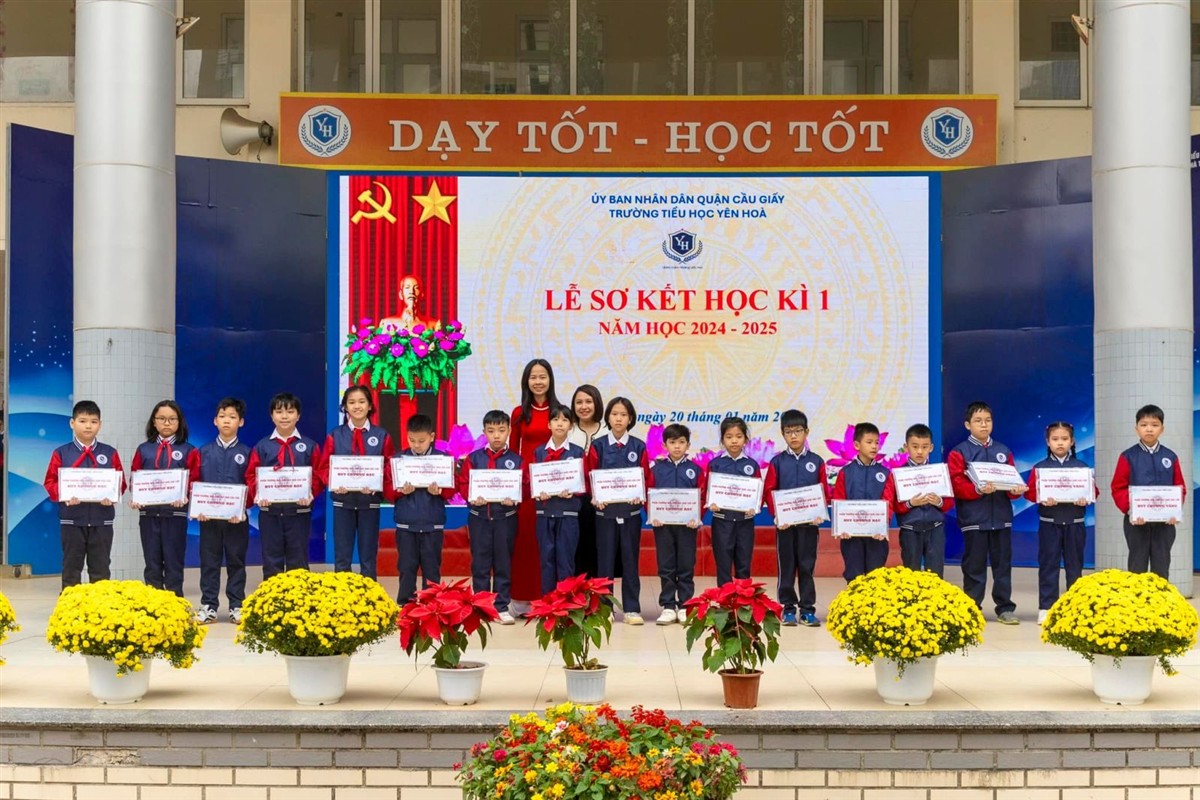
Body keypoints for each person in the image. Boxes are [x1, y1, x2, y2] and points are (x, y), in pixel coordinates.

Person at [948, 401, 1024, 624]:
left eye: (988, 420)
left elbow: (1012, 482)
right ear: (967, 425)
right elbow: (956, 485)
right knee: (974, 566)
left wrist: (1015, 491)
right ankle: (972, 608)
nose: (984, 425)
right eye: (978, 421)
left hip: (1001, 518)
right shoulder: (959, 452)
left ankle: (1005, 608)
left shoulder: (1003, 451)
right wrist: (977, 490)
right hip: (974, 519)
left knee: (1003, 566)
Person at [43, 400, 125, 591]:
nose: (88, 426)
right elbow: (50, 482)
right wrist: (64, 495)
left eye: (93, 422)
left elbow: (120, 482)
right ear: (72, 423)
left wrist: (112, 495)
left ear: (100, 425)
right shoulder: (61, 453)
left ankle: (101, 605)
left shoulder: (109, 453)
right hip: (71, 519)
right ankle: (70, 605)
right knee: (71, 567)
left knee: (101, 567)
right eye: (83, 421)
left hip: (102, 520)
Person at [246, 393, 325, 579]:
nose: (284, 416)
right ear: (272, 416)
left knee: (298, 558)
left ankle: (298, 595)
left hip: (299, 512)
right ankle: (273, 594)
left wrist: (310, 493)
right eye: (279, 412)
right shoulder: (262, 446)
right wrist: (259, 494)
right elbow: (251, 475)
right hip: (270, 512)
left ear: (298, 415)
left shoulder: (309, 446)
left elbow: (319, 474)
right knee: (271, 558)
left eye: (290, 412)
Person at [586, 396, 650, 625]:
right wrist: (595, 497)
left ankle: (632, 609)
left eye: (623, 414)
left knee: (630, 561)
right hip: (605, 515)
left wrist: (640, 496)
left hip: (630, 515)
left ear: (630, 418)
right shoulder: (598, 446)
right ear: (608, 417)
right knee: (604, 562)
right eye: (614, 414)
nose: (619, 419)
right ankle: (605, 608)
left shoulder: (639, 446)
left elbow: (645, 478)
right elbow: (590, 475)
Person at [1025, 421, 1095, 624]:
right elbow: (1029, 493)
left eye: (1064, 439)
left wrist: (1086, 498)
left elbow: (1094, 491)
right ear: (1048, 442)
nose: (1060, 443)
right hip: (1049, 523)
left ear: (1072, 441)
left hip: (1075, 523)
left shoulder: (1082, 468)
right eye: (1055, 439)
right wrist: (1041, 496)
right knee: (1048, 566)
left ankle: (1075, 607)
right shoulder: (1040, 468)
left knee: (1075, 567)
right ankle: (1046, 607)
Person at [762, 409, 827, 627]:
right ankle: (788, 608)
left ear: (806, 432)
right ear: (783, 434)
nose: (794, 436)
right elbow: (769, 491)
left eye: (798, 431)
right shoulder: (777, 462)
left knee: (807, 566)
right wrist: (777, 516)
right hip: (785, 526)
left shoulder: (816, 461)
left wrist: (819, 513)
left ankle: (807, 609)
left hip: (809, 526)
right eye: (788, 432)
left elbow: (823, 491)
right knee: (787, 567)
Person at [457, 409, 523, 624]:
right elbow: (464, 483)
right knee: (480, 564)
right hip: (479, 518)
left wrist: (515, 498)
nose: (496, 435)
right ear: (484, 432)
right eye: (491, 431)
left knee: (504, 563)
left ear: (509, 431)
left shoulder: (516, 460)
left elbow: (524, 486)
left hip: (506, 519)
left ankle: (502, 607)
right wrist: (471, 497)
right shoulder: (474, 458)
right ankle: (482, 606)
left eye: (501, 430)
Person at [323, 386, 394, 581]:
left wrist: (377, 482)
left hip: (369, 503)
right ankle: (342, 595)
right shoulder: (335, 435)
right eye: (352, 402)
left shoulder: (382, 435)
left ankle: (369, 596)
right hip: (342, 502)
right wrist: (333, 482)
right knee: (342, 557)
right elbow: (324, 467)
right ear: (345, 407)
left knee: (368, 557)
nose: (357, 406)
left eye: (362, 401)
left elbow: (389, 467)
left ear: (370, 405)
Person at [130, 400, 201, 597]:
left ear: (179, 422)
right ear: (154, 422)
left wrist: (185, 497)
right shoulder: (144, 449)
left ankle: (175, 604)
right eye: (161, 418)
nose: (167, 423)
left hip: (175, 515)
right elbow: (135, 477)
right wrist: (136, 496)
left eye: (172, 419)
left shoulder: (189, 450)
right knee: (151, 563)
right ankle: (154, 605)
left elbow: (194, 481)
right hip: (149, 515)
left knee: (173, 562)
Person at [1110, 403, 1186, 579]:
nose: (1149, 429)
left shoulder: (1170, 456)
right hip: (1137, 523)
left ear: (1162, 429)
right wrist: (1132, 510)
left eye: (1154, 425)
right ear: (1136, 429)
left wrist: (1174, 511)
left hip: (1165, 524)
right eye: (1144, 425)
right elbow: (1118, 487)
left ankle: (1160, 597)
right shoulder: (1128, 456)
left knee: (1162, 568)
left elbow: (1179, 488)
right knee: (1137, 568)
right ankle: (1137, 598)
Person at [508, 358, 560, 615]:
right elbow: (513, 452)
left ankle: (547, 599)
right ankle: (520, 599)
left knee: (549, 542)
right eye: (533, 377)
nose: (538, 382)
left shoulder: (559, 412)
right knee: (525, 541)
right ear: (526, 381)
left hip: (554, 484)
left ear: (550, 380)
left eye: (543, 377)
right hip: (527, 486)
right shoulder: (519, 413)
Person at [195, 397, 252, 624]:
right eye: (222, 416)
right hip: (208, 519)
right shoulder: (204, 451)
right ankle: (209, 605)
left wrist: (244, 508)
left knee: (236, 562)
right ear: (215, 421)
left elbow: (252, 484)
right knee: (209, 562)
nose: (226, 421)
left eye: (232, 417)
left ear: (241, 422)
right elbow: (194, 483)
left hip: (237, 520)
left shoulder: (247, 452)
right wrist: (198, 507)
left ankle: (236, 605)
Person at [388, 413, 455, 604]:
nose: (416, 445)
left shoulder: (443, 459)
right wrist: (400, 491)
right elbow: (388, 490)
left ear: (432, 437)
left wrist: (441, 491)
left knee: (432, 568)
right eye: (412, 440)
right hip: (406, 524)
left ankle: (431, 604)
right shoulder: (399, 460)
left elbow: (453, 489)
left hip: (432, 524)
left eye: (421, 441)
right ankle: (405, 603)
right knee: (406, 567)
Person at [647, 423, 703, 625]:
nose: (677, 446)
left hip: (687, 526)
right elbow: (648, 494)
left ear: (688, 445)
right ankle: (669, 606)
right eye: (672, 442)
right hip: (663, 526)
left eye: (681, 442)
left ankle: (686, 605)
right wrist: (652, 515)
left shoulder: (695, 470)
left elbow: (703, 496)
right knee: (666, 565)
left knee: (686, 565)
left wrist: (697, 517)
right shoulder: (657, 470)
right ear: (665, 445)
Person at [531, 404, 586, 594]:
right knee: (546, 560)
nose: (560, 424)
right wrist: (539, 491)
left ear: (571, 425)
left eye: (564, 420)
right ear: (549, 425)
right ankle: (548, 604)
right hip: (545, 513)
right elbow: (532, 481)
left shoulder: (577, 452)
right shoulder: (539, 452)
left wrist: (574, 491)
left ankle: (566, 604)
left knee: (566, 561)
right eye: (555, 419)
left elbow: (585, 483)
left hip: (568, 514)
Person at [831, 422, 895, 582]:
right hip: (851, 536)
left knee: (876, 577)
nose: (874, 446)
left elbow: (888, 502)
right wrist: (842, 527)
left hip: (876, 535)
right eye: (869, 442)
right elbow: (839, 500)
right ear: (856, 445)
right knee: (854, 576)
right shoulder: (846, 472)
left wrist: (883, 526)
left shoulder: (885, 473)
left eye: (877, 442)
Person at [891, 423, 953, 578]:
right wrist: (910, 503)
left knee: (935, 575)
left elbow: (950, 503)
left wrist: (939, 502)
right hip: (910, 529)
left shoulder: (939, 472)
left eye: (924, 447)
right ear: (906, 447)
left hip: (935, 528)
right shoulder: (898, 474)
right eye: (915, 446)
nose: (919, 451)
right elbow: (895, 505)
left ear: (931, 448)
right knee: (911, 574)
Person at [706, 416, 761, 586]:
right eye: (729, 437)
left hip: (745, 522)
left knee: (743, 565)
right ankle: (724, 601)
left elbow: (758, 493)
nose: (734, 441)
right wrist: (711, 503)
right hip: (722, 522)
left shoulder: (752, 465)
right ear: (722, 440)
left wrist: (755, 507)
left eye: (738, 436)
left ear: (745, 439)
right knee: (723, 566)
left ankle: (743, 601)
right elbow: (708, 491)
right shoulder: (715, 464)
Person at [567, 384, 607, 578]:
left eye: (588, 401)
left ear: (597, 403)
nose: (584, 406)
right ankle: (577, 593)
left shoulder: (608, 431)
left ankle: (599, 595)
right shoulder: (567, 430)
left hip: (602, 500)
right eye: (579, 402)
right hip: (573, 499)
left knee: (600, 549)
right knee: (576, 548)